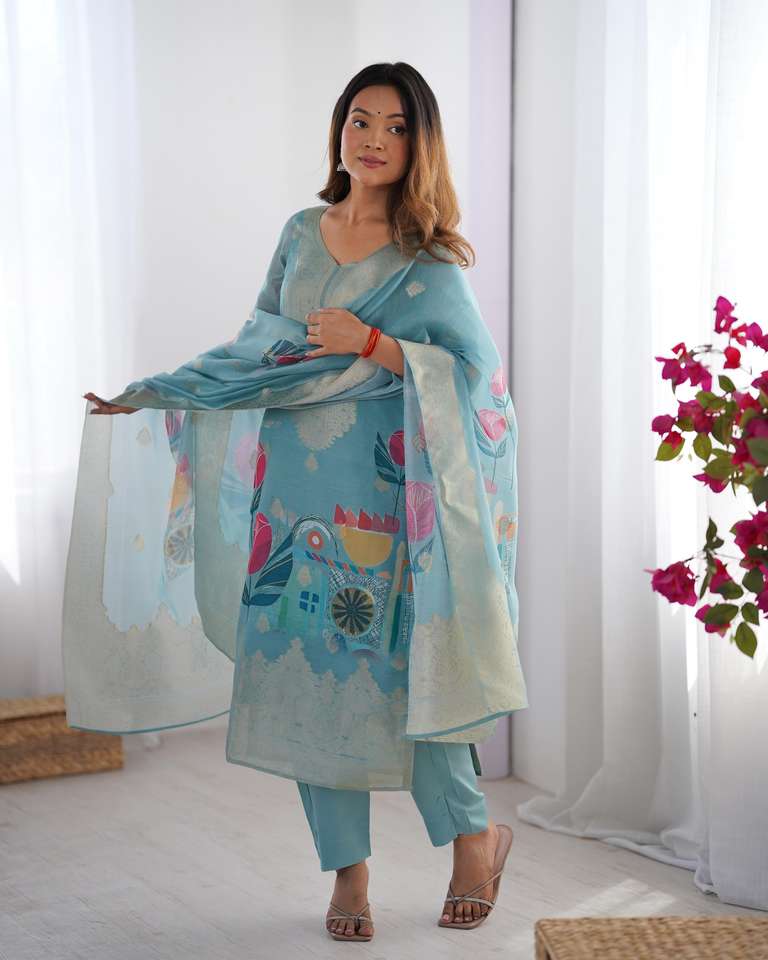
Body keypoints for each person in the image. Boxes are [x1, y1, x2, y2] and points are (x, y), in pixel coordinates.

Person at [80, 61, 520, 942]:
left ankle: (473, 836)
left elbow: (478, 382)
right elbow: (258, 347)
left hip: (390, 508)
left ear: (420, 145)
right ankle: (348, 873)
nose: (375, 139)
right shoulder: (300, 233)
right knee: (312, 678)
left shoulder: (428, 258)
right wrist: (158, 391)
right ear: (339, 129)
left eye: (397, 127)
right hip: (292, 504)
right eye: (362, 119)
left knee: (411, 671)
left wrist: (375, 343)